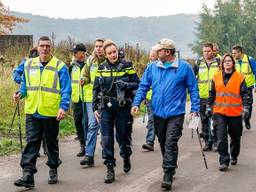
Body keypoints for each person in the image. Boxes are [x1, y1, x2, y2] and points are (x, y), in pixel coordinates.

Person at [131, 38, 200, 190]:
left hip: (176, 113)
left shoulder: (184, 67)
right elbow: (143, 86)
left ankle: (167, 173)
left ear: (167, 52)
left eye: (159, 50)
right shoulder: (152, 68)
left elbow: (193, 89)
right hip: (158, 113)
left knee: (170, 142)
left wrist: (195, 109)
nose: (156, 52)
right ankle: (171, 164)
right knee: (163, 142)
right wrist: (136, 103)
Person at [13, 36, 71, 188]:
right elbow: (25, 86)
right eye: (42, 46)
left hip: (51, 112)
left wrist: (63, 107)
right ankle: (28, 175)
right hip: (32, 111)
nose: (44, 48)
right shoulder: (28, 64)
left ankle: (53, 167)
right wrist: (20, 94)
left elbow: (66, 90)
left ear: (51, 48)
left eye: (47, 46)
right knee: (32, 142)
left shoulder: (60, 66)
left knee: (51, 143)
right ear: (37, 47)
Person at [93, 40, 140, 183]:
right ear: (106, 55)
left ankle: (126, 155)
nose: (113, 55)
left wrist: (126, 85)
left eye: (114, 52)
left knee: (123, 137)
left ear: (117, 52)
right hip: (106, 107)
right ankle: (110, 167)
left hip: (123, 106)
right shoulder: (101, 68)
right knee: (106, 138)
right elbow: (96, 89)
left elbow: (138, 83)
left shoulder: (127, 66)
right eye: (109, 53)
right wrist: (95, 108)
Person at [207, 54, 250, 171]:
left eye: (229, 61)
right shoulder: (216, 77)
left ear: (233, 63)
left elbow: (245, 95)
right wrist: (208, 107)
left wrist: (246, 108)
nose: (227, 62)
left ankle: (234, 155)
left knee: (235, 137)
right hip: (219, 112)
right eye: (225, 61)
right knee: (221, 137)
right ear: (222, 64)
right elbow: (212, 94)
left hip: (235, 113)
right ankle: (224, 161)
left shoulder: (240, 77)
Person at [80, 39, 105, 167]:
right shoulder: (90, 61)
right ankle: (89, 155)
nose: (99, 48)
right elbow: (85, 75)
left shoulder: (109, 60)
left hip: (106, 99)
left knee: (104, 125)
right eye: (96, 46)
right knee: (92, 125)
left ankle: (107, 153)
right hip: (92, 99)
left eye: (101, 46)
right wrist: (83, 79)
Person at [194, 43, 219, 152]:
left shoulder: (219, 62)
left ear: (213, 51)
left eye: (209, 51)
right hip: (202, 96)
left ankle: (216, 142)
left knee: (215, 120)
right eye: (204, 51)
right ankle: (207, 142)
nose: (206, 53)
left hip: (216, 97)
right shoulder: (198, 63)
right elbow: (193, 79)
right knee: (204, 120)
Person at [69, 43, 89, 157]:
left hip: (87, 98)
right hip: (76, 99)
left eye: (76, 52)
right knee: (77, 122)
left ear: (83, 53)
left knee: (85, 123)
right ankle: (82, 144)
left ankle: (87, 146)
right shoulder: (72, 66)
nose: (74, 54)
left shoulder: (90, 64)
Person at [231, 45, 256, 130]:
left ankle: (247, 120)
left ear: (239, 52)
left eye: (234, 53)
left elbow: (255, 72)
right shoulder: (233, 61)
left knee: (248, 105)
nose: (233, 55)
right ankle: (239, 122)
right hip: (237, 87)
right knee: (238, 105)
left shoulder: (250, 59)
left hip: (248, 87)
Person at [142, 48, 158, 151]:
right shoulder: (148, 67)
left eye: (152, 56)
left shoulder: (160, 68)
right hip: (149, 98)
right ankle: (150, 142)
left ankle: (163, 139)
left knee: (156, 120)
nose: (150, 58)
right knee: (151, 119)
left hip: (158, 98)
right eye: (150, 56)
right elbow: (144, 84)